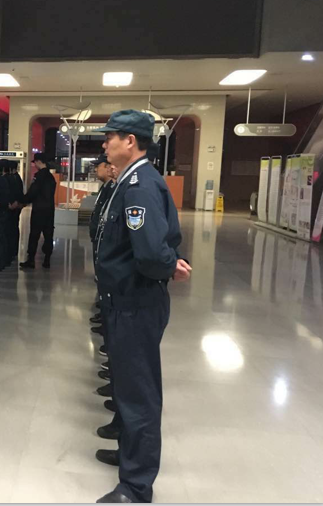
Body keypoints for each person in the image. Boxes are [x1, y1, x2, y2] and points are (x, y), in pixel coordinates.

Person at [92, 110, 192, 504]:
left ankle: (136, 486)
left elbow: (150, 252)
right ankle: (128, 451)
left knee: (139, 395)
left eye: (110, 137)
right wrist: (169, 260)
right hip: (122, 300)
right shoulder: (130, 181)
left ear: (130, 141)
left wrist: (168, 265)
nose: (105, 144)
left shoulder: (140, 186)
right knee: (127, 386)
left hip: (135, 303)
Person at [89, 154, 117, 331]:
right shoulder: (105, 187)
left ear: (108, 167)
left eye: (98, 166)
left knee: (106, 279)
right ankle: (104, 309)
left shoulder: (114, 188)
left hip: (106, 241)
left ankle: (108, 315)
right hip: (99, 239)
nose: (95, 169)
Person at [19, 152, 56, 270]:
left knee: (34, 234)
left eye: (35, 162)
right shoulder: (51, 177)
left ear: (39, 162)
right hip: (49, 210)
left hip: (39, 209)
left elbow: (33, 192)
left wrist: (22, 200)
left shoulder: (38, 176)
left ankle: (31, 260)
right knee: (48, 235)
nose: (34, 165)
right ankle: (47, 260)